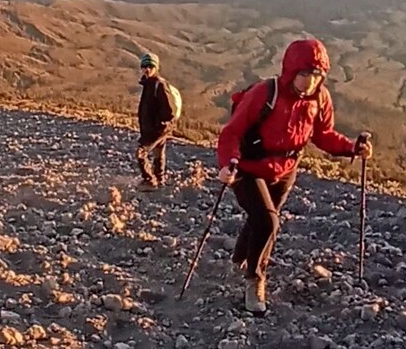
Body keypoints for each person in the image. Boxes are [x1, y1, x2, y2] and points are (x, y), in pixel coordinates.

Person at [216, 38, 373, 313]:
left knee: (262, 218)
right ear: (290, 71)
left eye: (316, 75)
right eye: (304, 74)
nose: (310, 82)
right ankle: (254, 280)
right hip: (249, 169)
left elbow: (323, 135)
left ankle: (238, 259)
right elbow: (231, 132)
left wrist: (351, 147)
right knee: (268, 222)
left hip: (286, 170)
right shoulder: (265, 93)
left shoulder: (319, 99)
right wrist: (227, 164)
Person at [136, 53, 182, 191]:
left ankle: (149, 180)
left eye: (150, 66)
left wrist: (159, 126)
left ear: (156, 67)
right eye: (144, 66)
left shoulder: (159, 85)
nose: (147, 69)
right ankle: (159, 179)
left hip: (157, 129)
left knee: (140, 152)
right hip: (159, 128)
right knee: (158, 152)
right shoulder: (149, 84)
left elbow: (169, 111)